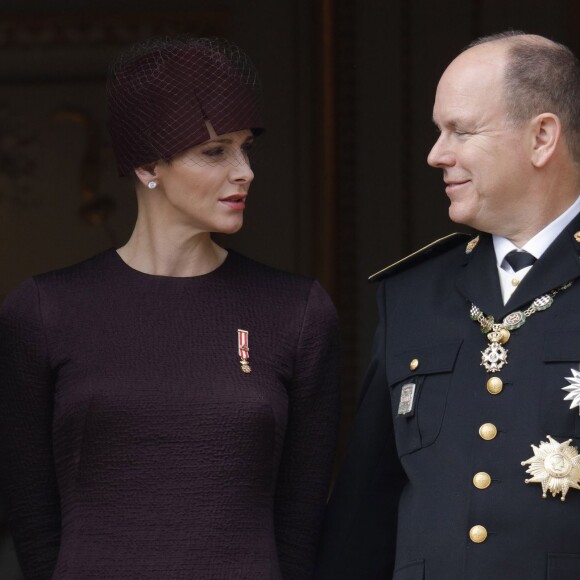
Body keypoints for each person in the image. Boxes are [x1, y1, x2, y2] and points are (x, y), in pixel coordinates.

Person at [0, 37, 340, 580]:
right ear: (146, 165)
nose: (245, 170)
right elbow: (32, 520)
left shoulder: (296, 311)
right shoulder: (44, 311)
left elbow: (301, 526)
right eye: (215, 151)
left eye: (246, 147)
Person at [315, 31, 580, 579]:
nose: (437, 155)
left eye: (461, 131)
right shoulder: (412, 294)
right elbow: (366, 509)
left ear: (542, 137)